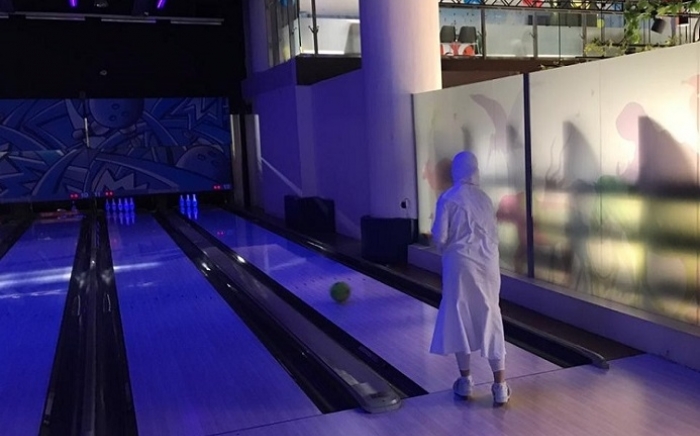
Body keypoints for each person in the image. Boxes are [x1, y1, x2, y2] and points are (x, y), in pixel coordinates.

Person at [429, 151, 511, 406]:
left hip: (460, 265)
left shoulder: (448, 198)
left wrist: (445, 245)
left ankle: (465, 382)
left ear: (456, 171)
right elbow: (493, 234)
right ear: (476, 170)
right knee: (490, 313)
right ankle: (500, 386)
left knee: (459, 316)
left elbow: (440, 237)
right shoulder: (485, 199)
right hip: (488, 265)